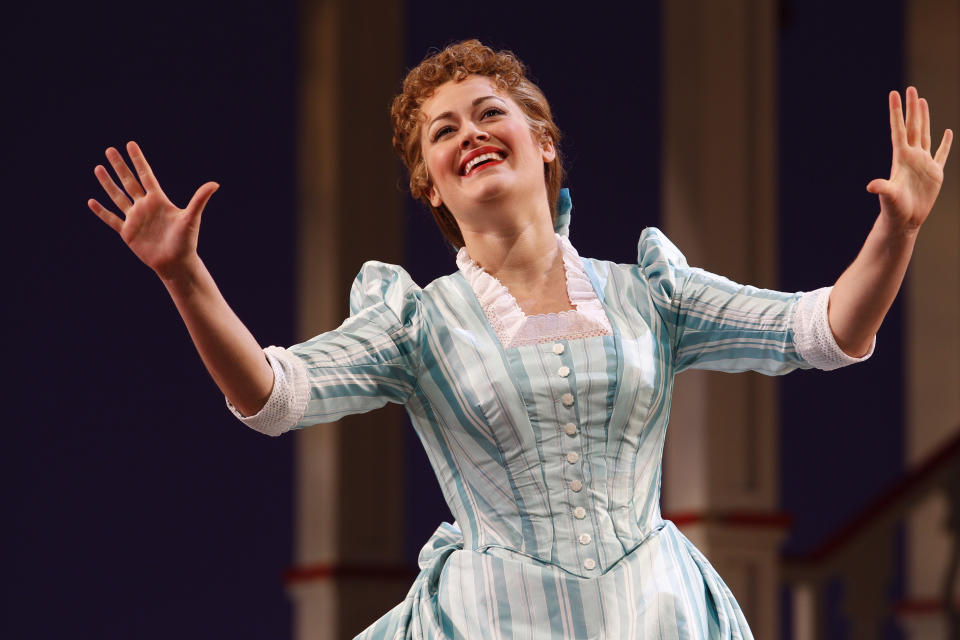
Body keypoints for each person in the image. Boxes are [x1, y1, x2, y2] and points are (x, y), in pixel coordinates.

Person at [89, 40, 951, 640]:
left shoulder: (648, 291)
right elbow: (274, 396)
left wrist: (900, 231)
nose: (470, 133)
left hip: (656, 616)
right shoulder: (416, 321)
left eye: (487, 112)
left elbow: (828, 329)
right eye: (443, 131)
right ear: (430, 183)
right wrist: (184, 277)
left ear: (542, 143)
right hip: (491, 618)